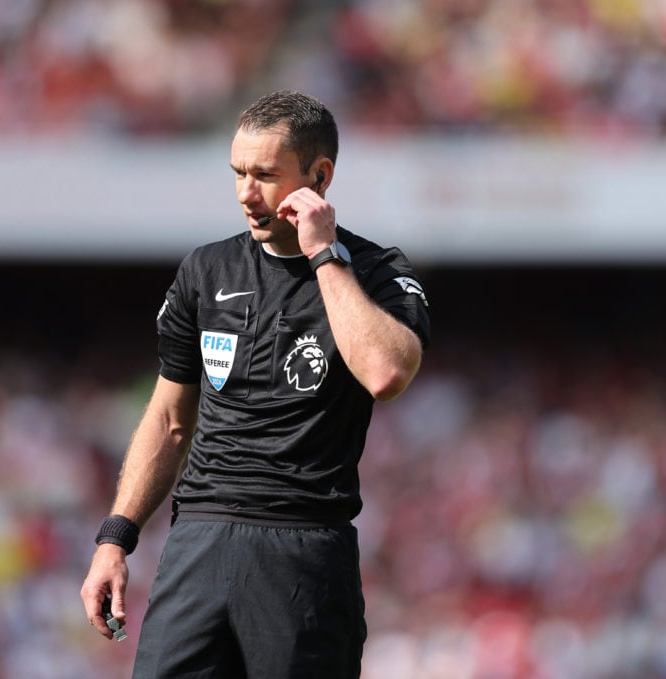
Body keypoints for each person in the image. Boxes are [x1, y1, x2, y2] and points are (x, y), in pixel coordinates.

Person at [80, 89, 431, 678]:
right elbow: (169, 420)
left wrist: (324, 256)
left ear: (319, 176)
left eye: (265, 175)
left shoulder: (375, 272)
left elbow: (386, 372)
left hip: (303, 549)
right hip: (198, 541)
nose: (246, 193)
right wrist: (115, 538)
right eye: (238, 173)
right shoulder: (206, 270)